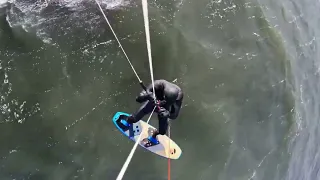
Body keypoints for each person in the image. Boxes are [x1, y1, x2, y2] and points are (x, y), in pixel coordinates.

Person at [116, 79, 183, 147]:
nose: (165, 102)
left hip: (164, 109)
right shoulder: (157, 84)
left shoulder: (179, 96)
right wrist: (147, 96)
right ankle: (128, 121)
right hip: (152, 102)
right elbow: (138, 99)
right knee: (134, 118)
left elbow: (175, 115)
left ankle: (154, 135)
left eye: (168, 102)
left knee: (162, 132)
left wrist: (168, 114)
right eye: (165, 100)